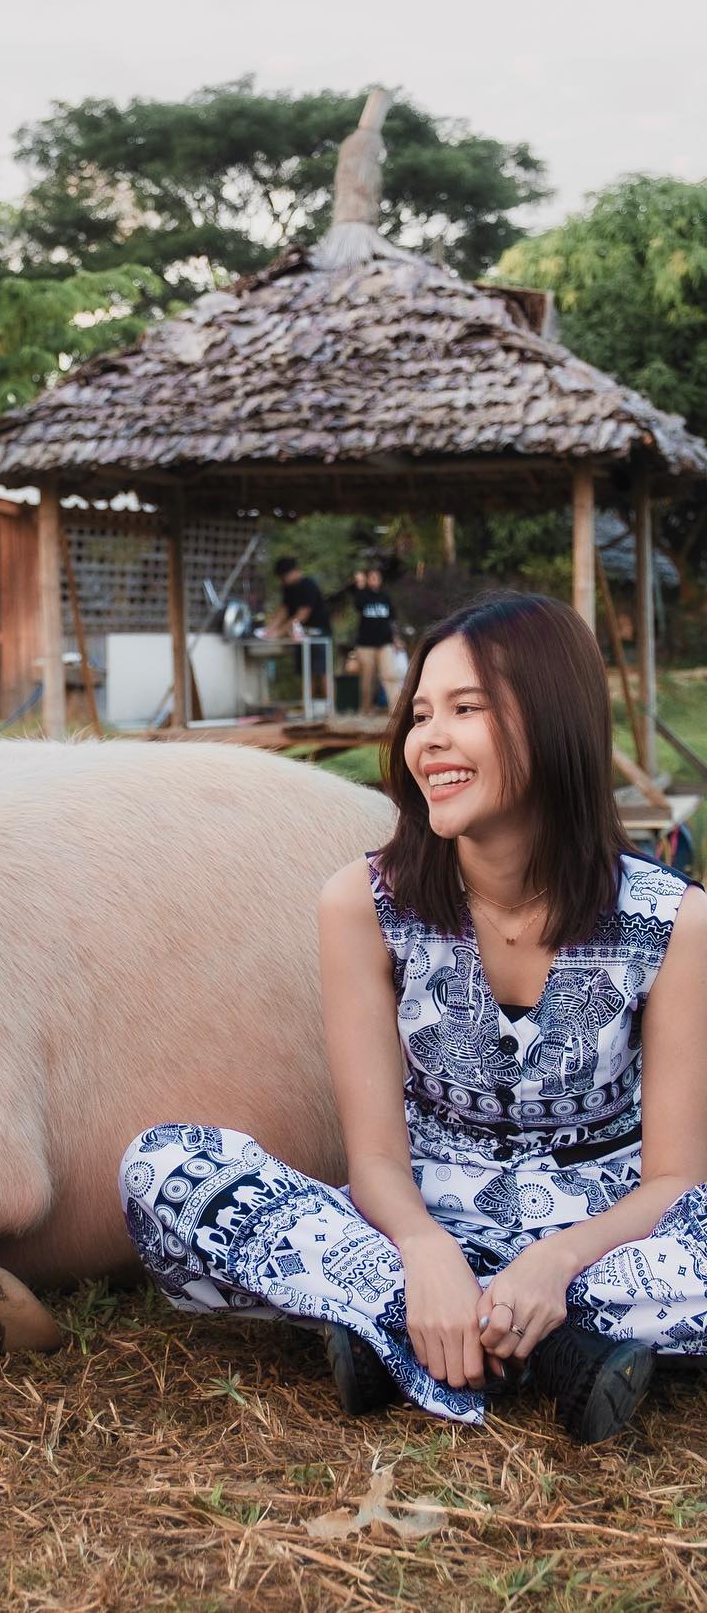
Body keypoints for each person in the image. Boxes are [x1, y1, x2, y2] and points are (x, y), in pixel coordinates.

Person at [120, 592, 707, 1441]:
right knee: (161, 1166)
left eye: (466, 709)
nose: (428, 739)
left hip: (607, 1244)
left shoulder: (673, 918)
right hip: (416, 1226)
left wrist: (555, 1259)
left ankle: (408, 1332)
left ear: (552, 720)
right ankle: (529, 1342)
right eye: (420, 712)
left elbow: (672, 1182)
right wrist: (428, 1254)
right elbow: (376, 1159)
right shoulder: (363, 903)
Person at [262, 555, 333, 702]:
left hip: (319, 633)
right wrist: (269, 630)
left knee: (323, 671)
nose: (283, 580)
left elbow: (302, 614)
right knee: (306, 672)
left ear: (293, 572)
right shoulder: (287, 588)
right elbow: (284, 609)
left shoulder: (308, 585)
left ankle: (330, 708)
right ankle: (307, 707)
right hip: (300, 635)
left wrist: (279, 632)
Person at [353, 564, 403, 714]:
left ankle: (395, 709)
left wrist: (396, 638)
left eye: (377, 577)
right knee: (367, 679)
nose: (374, 580)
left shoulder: (385, 597)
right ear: (368, 580)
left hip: (384, 643)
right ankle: (366, 709)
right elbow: (357, 606)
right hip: (365, 644)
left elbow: (392, 620)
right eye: (372, 578)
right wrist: (360, 586)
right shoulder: (362, 595)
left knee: (390, 675)